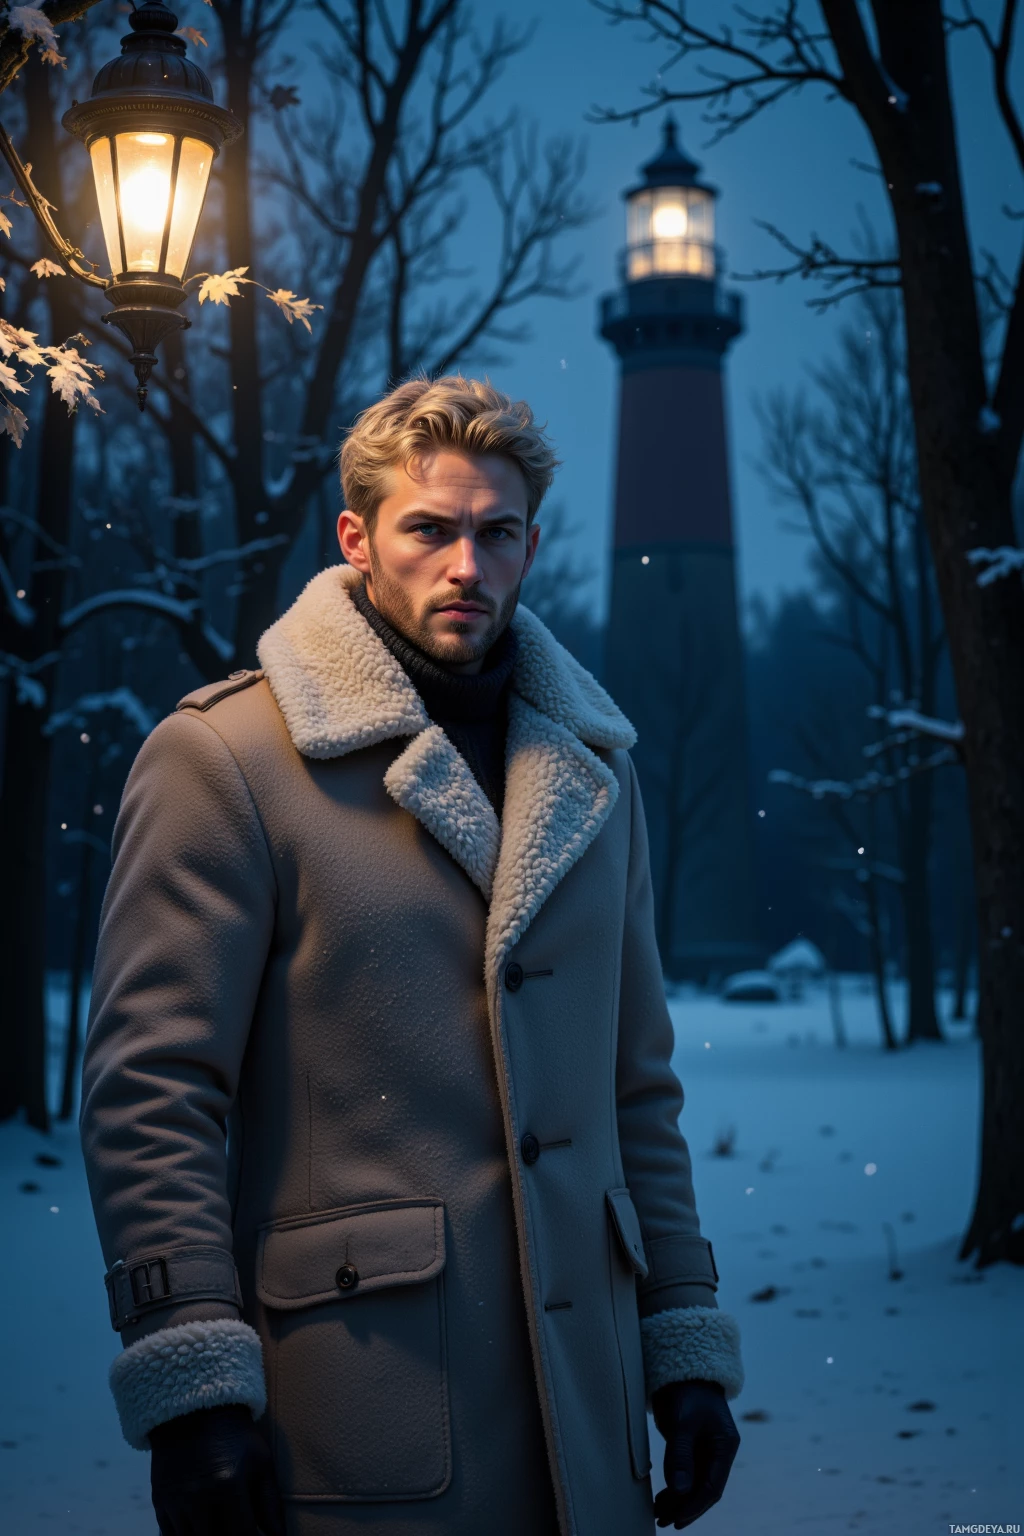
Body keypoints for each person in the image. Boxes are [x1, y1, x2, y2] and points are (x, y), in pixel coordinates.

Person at [80, 375, 744, 1536]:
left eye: (495, 534)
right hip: (358, 1414)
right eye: (428, 530)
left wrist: (682, 1340)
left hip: (585, 1431)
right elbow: (152, 1094)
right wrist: (193, 1385)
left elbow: (636, 1088)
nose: (465, 566)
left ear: (531, 546)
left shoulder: (599, 771)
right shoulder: (225, 758)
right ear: (357, 538)